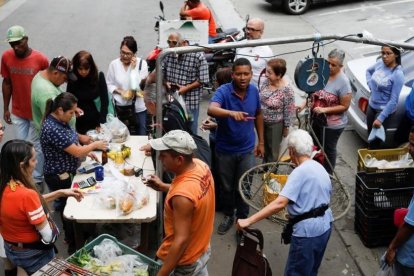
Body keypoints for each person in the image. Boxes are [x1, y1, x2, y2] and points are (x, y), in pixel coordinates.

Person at [238, 129, 333, 276]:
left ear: (292, 151)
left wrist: (249, 220)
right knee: (311, 269)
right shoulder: (319, 167)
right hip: (325, 227)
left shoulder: (299, 172)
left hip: (308, 233)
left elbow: (279, 203)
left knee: (297, 272)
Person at [0, 139, 83, 275]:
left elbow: (24, 207)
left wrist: (60, 193)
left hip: (11, 249)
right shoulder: (27, 195)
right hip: (33, 255)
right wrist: (48, 219)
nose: (36, 162)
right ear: (22, 166)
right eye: (33, 160)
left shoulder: (6, 186)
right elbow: (48, 236)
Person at [40, 92, 107, 253]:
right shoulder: (52, 128)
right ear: (60, 110)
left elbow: (71, 136)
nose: (72, 116)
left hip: (67, 171)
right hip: (58, 175)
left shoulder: (58, 121)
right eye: (71, 113)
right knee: (67, 209)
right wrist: (93, 145)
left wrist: (83, 141)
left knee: (71, 204)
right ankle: (73, 243)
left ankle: (78, 235)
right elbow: (76, 151)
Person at [142, 130, 215, 276]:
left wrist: (161, 274)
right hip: (202, 249)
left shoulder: (182, 197)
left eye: (164, 155)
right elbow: (194, 195)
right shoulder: (201, 166)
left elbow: (181, 240)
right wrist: (165, 187)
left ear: (179, 160)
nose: (160, 158)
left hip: (185, 259)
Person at [207, 58, 264, 235]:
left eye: (246, 74)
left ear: (251, 74)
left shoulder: (254, 91)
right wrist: (230, 113)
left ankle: (243, 220)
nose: (242, 77)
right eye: (238, 74)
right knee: (226, 187)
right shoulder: (224, 91)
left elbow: (259, 114)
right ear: (232, 75)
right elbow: (211, 109)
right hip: (225, 151)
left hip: (247, 150)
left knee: (244, 186)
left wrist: (261, 142)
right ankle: (229, 215)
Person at [298, 49, 352, 174]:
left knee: (328, 149)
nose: (329, 66)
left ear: (341, 66)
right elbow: (313, 92)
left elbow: (345, 106)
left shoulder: (343, 83)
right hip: (316, 119)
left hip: (332, 125)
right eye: (328, 62)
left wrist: (325, 109)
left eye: (333, 65)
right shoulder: (322, 73)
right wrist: (303, 105)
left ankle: (328, 174)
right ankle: (314, 169)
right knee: (314, 145)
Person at [31, 56, 80, 191]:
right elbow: (76, 152)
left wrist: (72, 110)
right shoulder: (46, 92)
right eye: (64, 78)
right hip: (59, 170)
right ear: (55, 73)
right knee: (63, 198)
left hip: (64, 159)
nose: (65, 82)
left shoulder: (42, 77)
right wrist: (94, 145)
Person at [1, 25, 49, 141]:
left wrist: (47, 112)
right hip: (18, 112)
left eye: (19, 43)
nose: (16, 47)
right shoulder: (6, 57)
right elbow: (7, 83)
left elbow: (48, 86)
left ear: (26, 39)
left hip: (37, 113)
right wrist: (6, 108)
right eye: (12, 44)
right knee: (20, 146)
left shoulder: (41, 59)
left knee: (37, 148)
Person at [162, 32, 209, 135]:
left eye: (174, 42)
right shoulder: (168, 54)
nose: (171, 45)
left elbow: (203, 79)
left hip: (190, 101)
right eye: (169, 42)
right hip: (172, 101)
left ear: (184, 43)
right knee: (173, 126)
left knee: (190, 128)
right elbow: (161, 74)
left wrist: (186, 88)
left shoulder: (197, 56)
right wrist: (166, 82)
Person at [201, 67, 231, 211]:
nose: (214, 82)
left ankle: (223, 205)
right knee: (215, 170)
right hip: (215, 139)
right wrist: (209, 120)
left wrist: (214, 125)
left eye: (215, 80)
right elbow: (213, 115)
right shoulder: (218, 97)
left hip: (223, 142)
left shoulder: (227, 97)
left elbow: (229, 123)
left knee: (221, 173)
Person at [385, 127, 414, 275]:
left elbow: (410, 225)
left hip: (409, 256)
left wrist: (392, 247)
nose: (409, 149)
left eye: (413, 145)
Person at [106, 36, 149, 135]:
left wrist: (133, 69)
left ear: (134, 54)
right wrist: (120, 91)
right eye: (122, 52)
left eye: (128, 54)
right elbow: (109, 83)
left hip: (138, 107)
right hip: (120, 108)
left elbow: (138, 87)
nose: (124, 56)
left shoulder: (142, 64)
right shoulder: (114, 64)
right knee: (121, 136)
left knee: (141, 135)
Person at [366, 45, 404, 149]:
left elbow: (394, 100)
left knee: (375, 142)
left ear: (396, 54)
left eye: (388, 53)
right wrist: (370, 85)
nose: (384, 56)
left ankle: (372, 162)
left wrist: (381, 118)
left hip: (383, 111)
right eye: (383, 53)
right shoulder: (380, 63)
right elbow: (368, 71)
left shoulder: (398, 74)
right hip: (371, 106)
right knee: (369, 136)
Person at [259, 58, 295, 163]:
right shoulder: (266, 82)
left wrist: (286, 127)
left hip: (275, 125)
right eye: (266, 71)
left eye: (269, 72)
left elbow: (289, 110)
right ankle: (264, 165)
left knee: (273, 151)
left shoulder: (287, 89)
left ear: (279, 75)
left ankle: (271, 173)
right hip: (262, 121)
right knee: (264, 145)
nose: (266, 74)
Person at [67, 50, 112, 134]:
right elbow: (69, 98)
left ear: (91, 67)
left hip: (96, 122)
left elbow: (105, 101)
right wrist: (75, 108)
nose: (83, 72)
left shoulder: (98, 77)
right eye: (80, 69)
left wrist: (101, 123)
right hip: (79, 122)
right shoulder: (73, 79)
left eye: (86, 68)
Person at [234, 18, 273, 87]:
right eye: (247, 28)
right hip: (240, 89)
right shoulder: (239, 45)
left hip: (258, 92)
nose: (248, 32)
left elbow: (272, 75)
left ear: (261, 32)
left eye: (252, 29)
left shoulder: (267, 51)